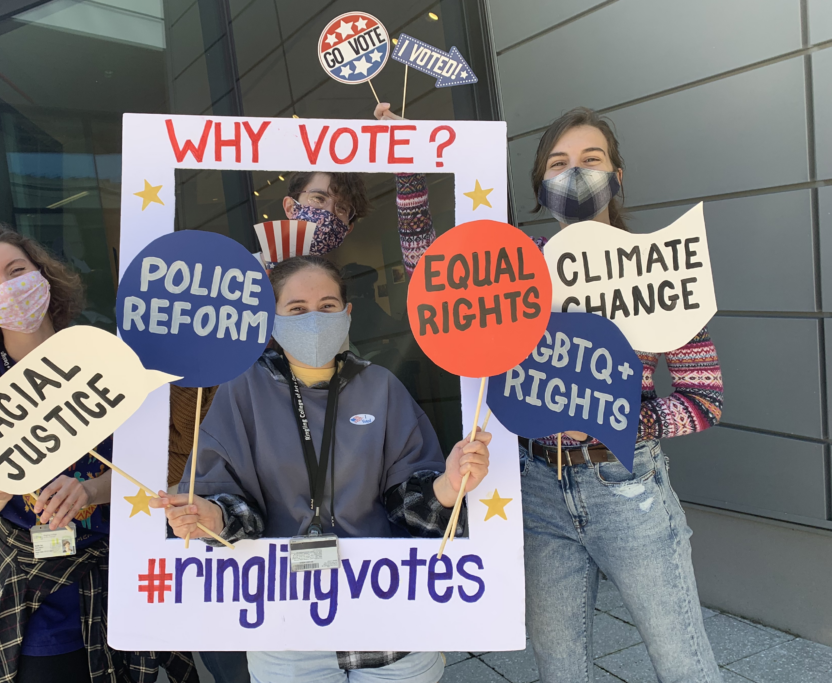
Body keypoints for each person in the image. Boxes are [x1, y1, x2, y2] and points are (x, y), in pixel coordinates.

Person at [150, 255, 492, 683]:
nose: (314, 319)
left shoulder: (381, 386)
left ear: (347, 315)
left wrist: (448, 485)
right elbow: (226, 497)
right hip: (284, 624)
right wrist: (210, 517)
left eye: (328, 306)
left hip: (386, 612)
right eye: (296, 309)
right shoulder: (242, 392)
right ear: (271, 319)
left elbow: (409, 501)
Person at [0, 224, 198, 683]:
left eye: (17, 271)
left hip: (126, 577)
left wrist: (89, 490)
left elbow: (156, 468)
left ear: (44, 276)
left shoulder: (109, 358)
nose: (8, 289)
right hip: (34, 605)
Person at [521, 108, 724, 682]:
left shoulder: (658, 270)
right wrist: (409, 163)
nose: (575, 174)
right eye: (559, 164)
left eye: (591, 160)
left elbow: (703, 399)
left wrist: (624, 422)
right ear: (541, 185)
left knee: (683, 663)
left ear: (617, 174)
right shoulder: (518, 267)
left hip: (627, 487)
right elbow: (433, 287)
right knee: (559, 670)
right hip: (537, 490)